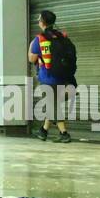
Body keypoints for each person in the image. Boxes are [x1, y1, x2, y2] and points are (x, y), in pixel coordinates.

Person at [29, 10, 75, 143]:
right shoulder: (62, 36)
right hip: (62, 77)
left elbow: (32, 59)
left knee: (51, 104)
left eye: (39, 19)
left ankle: (64, 133)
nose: (38, 20)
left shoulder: (40, 39)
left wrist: (31, 47)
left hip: (47, 78)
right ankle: (43, 130)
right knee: (52, 103)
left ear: (42, 22)